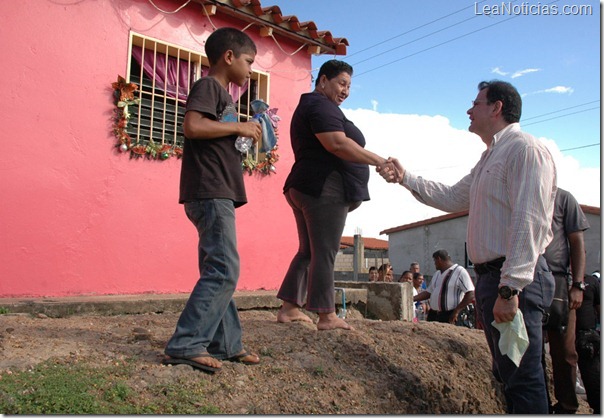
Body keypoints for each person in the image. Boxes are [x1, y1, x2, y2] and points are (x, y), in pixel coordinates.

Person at [379, 80, 557, 413]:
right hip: (493, 279)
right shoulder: (491, 156)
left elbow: (529, 220)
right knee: (507, 373)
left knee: (523, 378)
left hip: (512, 280)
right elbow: (451, 197)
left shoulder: (525, 149)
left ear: (497, 107)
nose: (468, 110)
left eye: (475, 103)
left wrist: (510, 289)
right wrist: (406, 178)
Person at [162, 27, 262, 374]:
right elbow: (193, 126)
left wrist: (247, 133)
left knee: (218, 269)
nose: (251, 69)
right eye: (249, 61)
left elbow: (218, 137)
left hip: (215, 191)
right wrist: (239, 128)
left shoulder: (227, 99)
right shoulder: (209, 87)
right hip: (209, 191)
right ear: (229, 57)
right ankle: (186, 343)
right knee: (224, 269)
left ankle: (225, 344)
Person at [276, 60, 394, 331]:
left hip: (306, 186)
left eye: (350, 86)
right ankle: (326, 315)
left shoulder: (318, 106)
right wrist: (379, 161)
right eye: (341, 83)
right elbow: (337, 144)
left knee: (308, 251)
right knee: (325, 252)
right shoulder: (319, 105)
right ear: (323, 81)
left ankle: (289, 308)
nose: (346, 91)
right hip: (322, 189)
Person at [541, 188, 589, 414]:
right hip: (527, 281)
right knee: (530, 350)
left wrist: (578, 285)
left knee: (564, 351)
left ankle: (567, 406)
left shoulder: (564, 198)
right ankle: (538, 403)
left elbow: (577, 243)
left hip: (559, 282)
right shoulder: (521, 195)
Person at [413, 250, 475, 324]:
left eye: (434, 261)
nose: (434, 264)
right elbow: (428, 292)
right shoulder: (437, 274)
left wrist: (457, 311)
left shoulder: (459, 271)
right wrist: (413, 298)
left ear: (439, 259)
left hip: (449, 314)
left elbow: (470, 293)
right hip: (434, 315)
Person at [575, 273, 600, 413]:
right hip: (569, 334)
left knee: (593, 379)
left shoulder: (591, 281)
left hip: (587, 336)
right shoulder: (561, 279)